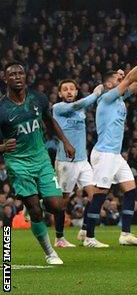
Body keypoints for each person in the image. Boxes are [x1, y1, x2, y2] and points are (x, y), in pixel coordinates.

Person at [0, 62, 75, 264]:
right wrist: (2, 147)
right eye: (12, 74)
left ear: (25, 76)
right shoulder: (2, 109)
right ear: (5, 79)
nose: (17, 77)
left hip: (41, 159)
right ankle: (50, 252)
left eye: (20, 73)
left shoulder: (38, 98)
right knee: (35, 210)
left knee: (57, 206)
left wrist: (66, 141)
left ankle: (37, 198)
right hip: (18, 163)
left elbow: (49, 121)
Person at [85, 43, 137, 247]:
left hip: (115, 155)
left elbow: (136, 82)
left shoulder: (120, 98)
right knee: (100, 193)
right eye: (117, 79)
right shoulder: (107, 98)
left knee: (131, 189)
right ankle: (89, 236)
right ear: (109, 85)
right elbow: (128, 80)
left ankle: (125, 234)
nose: (122, 80)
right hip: (104, 153)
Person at [53, 80, 103, 248]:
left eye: (72, 89)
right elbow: (77, 105)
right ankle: (59, 238)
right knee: (63, 201)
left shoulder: (80, 109)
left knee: (94, 195)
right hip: (66, 162)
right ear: (60, 94)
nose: (69, 92)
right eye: (65, 90)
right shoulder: (58, 108)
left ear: (76, 92)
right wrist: (95, 94)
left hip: (83, 161)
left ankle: (87, 234)